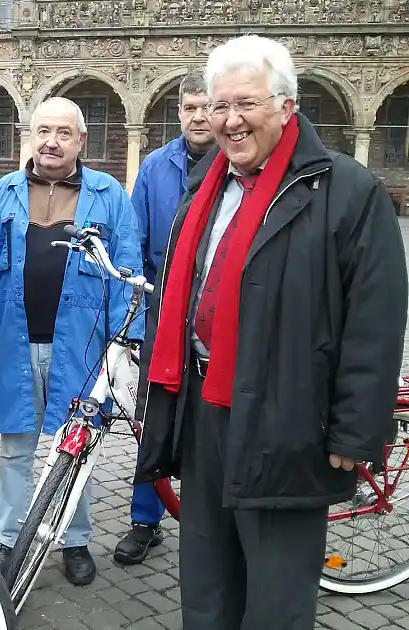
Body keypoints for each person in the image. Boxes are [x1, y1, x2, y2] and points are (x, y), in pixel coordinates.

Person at [134, 35, 408, 630]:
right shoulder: (203, 190)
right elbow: (176, 301)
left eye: (247, 103)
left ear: (287, 106)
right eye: (220, 105)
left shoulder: (347, 191)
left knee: (276, 600)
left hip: (290, 423)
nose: (230, 120)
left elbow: (375, 321)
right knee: (207, 588)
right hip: (205, 410)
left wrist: (356, 430)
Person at [0, 97, 145, 586]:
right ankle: (9, 537)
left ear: (81, 140)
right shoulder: (3, 191)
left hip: (81, 345)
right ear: (29, 135)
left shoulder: (108, 194)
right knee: (15, 447)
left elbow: (127, 267)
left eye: (64, 133)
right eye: (43, 131)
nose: (52, 142)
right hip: (12, 341)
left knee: (77, 447)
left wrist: (126, 341)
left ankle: (75, 540)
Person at [114, 68, 215, 566]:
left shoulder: (239, 164)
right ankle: (144, 520)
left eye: (206, 107)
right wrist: (135, 322)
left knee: (212, 422)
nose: (199, 117)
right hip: (164, 313)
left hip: (218, 318)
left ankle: (209, 524)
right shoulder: (155, 167)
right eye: (190, 108)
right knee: (151, 420)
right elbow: (133, 246)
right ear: (178, 113)